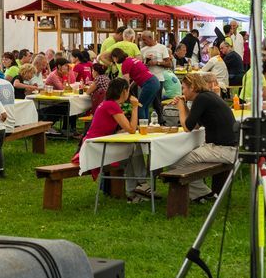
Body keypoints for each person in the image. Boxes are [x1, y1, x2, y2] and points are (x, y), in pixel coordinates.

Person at [152, 72, 237, 201]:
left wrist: (181, 107)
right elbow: (195, 125)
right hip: (229, 148)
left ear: (192, 87)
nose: (182, 92)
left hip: (221, 149)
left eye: (183, 88)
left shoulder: (201, 99)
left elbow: (187, 127)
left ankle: (201, 193)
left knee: (175, 164)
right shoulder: (208, 97)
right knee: (184, 161)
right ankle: (202, 193)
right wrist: (184, 105)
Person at [76, 75, 139, 178]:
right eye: (128, 90)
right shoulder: (112, 105)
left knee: (131, 148)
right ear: (124, 91)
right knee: (133, 148)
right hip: (96, 145)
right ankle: (138, 180)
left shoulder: (108, 103)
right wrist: (135, 107)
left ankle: (133, 181)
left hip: (93, 142)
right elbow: (131, 129)